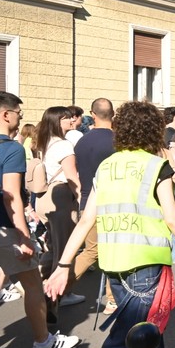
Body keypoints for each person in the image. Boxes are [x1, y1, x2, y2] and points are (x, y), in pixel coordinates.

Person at [45, 100, 175, 348]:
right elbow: (172, 217)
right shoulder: (156, 165)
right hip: (145, 264)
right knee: (119, 345)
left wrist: (63, 264)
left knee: (146, 327)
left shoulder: (107, 166)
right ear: (153, 130)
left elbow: (87, 220)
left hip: (114, 265)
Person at [0, 91, 80, 348]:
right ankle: (43, 342)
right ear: (6, 115)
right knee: (34, 286)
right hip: (5, 228)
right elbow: (10, 195)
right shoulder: (11, 148)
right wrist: (24, 236)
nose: (20, 117)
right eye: (19, 113)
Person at [34, 106, 85, 319]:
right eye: (67, 118)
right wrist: (81, 199)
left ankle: (38, 284)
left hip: (43, 197)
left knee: (53, 247)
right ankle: (53, 299)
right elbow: (72, 177)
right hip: (61, 196)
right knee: (63, 251)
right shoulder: (64, 145)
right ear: (58, 121)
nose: (72, 121)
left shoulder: (44, 142)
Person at [72, 98, 117, 315]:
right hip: (113, 202)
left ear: (92, 114)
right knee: (112, 251)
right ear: (113, 113)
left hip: (86, 200)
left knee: (91, 251)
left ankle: (57, 288)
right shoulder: (118, 141)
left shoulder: (81, 141)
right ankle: (112, 299)